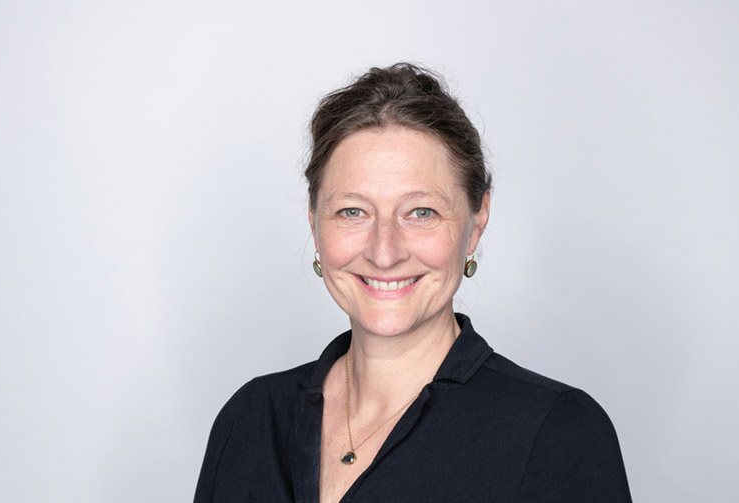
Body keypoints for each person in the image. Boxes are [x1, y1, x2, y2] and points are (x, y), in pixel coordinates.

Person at [194, 63, 632, 503]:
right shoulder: (249, 419)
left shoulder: (558, 433)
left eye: (421, 212)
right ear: (314, 221)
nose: (384, 252)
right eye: (352, 211)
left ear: (477, 221)